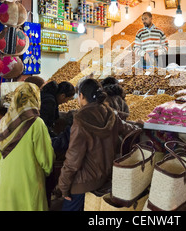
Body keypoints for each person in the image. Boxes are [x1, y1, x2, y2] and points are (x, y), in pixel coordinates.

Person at [57, 78, 139, 211]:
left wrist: (64, 186)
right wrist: (142, 126)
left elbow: (73, 159)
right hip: (103, 178)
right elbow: (130, 130)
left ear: (82, 96)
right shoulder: (110, 113)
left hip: (82, 183)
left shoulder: (80, 119)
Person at [0, 82, 55, 211]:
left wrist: (7, 168)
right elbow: (46, 160)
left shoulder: (3, 122)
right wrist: (45, 173)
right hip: (29, 182)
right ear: (35, 98)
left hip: (7, 182)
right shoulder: (36, 123)